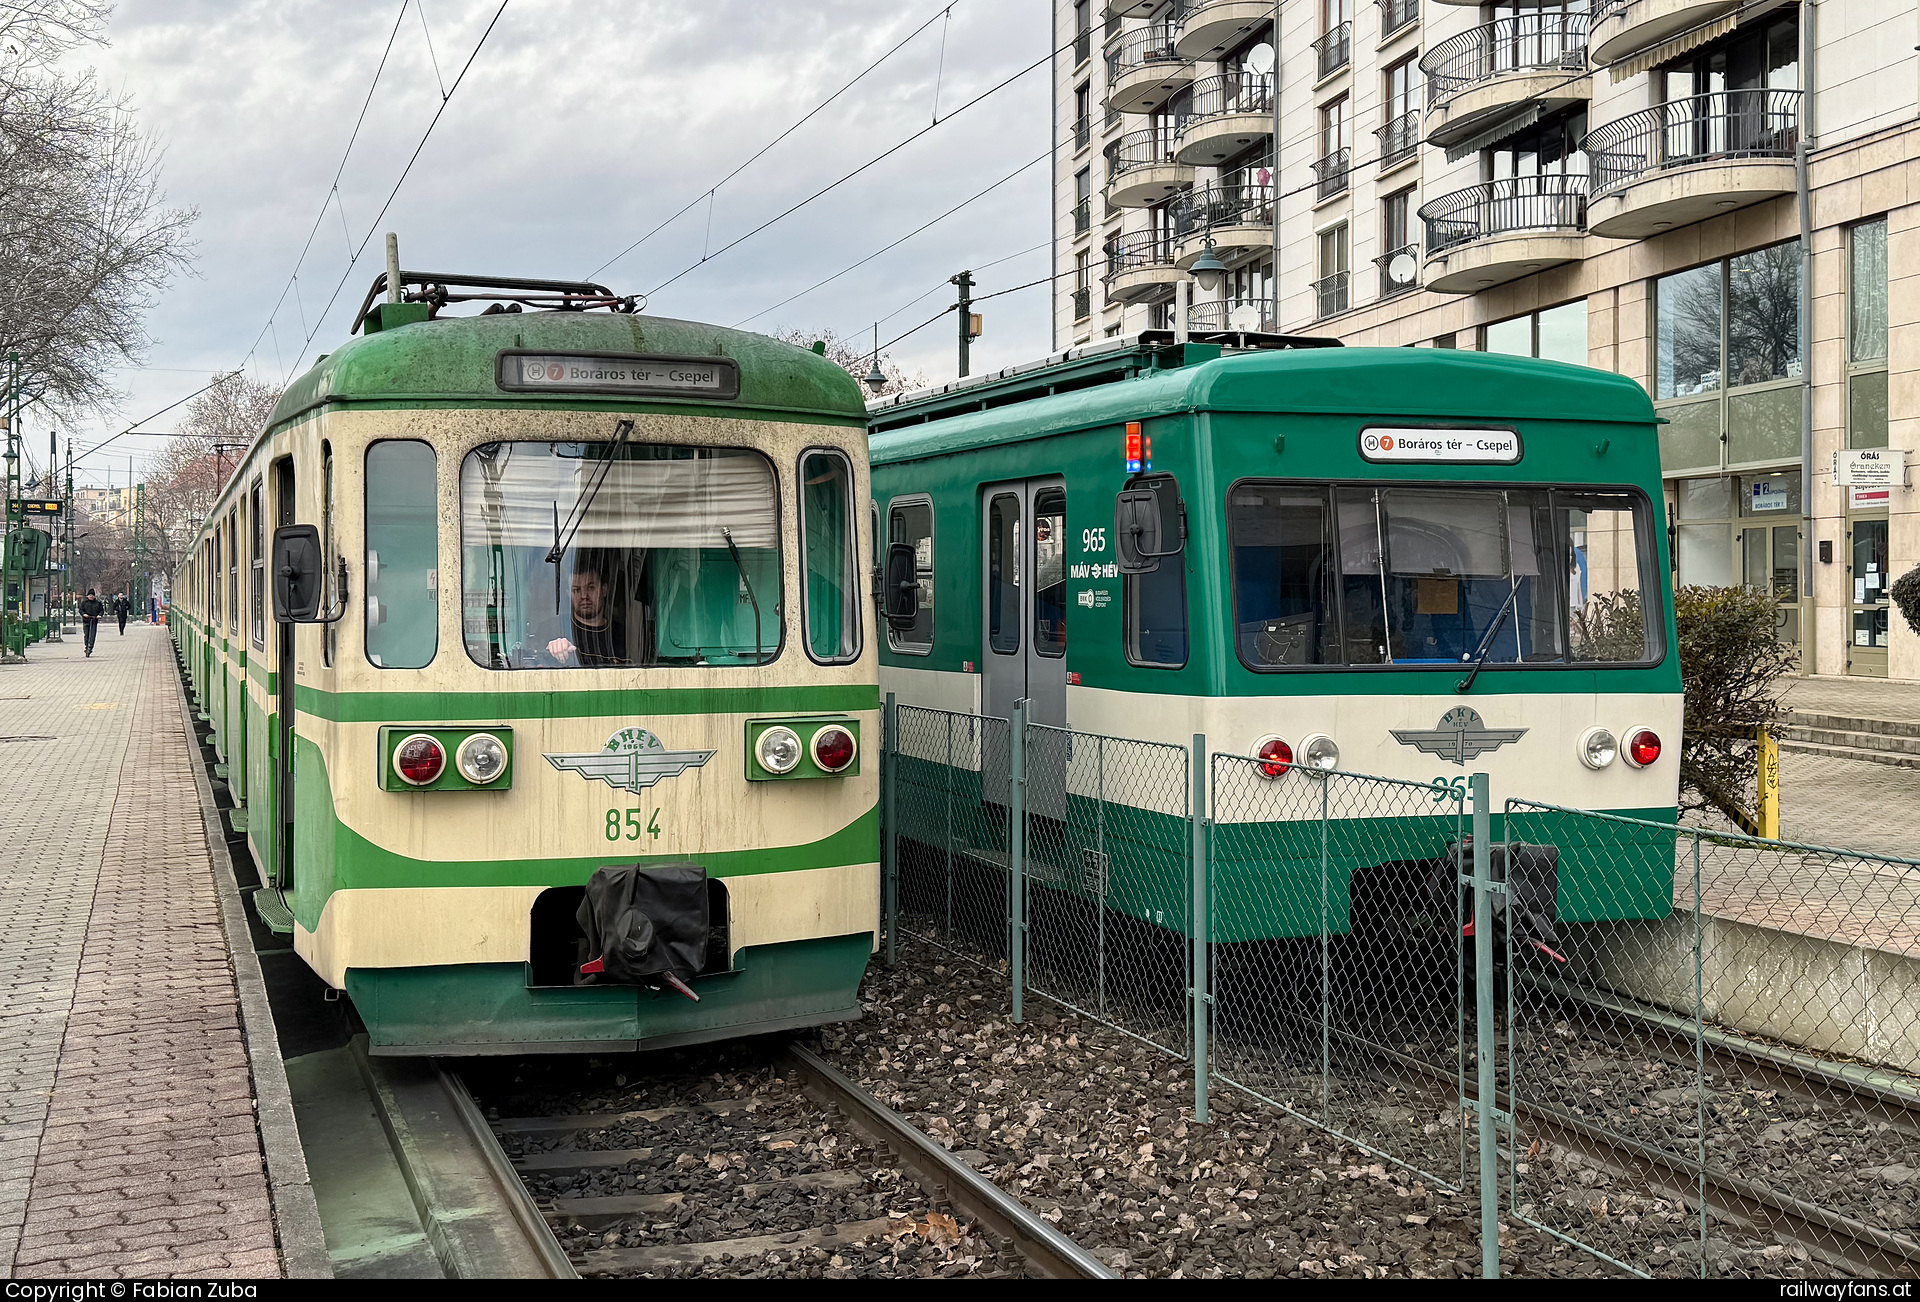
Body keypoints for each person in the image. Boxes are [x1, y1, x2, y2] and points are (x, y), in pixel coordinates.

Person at [532, 557, 629, 667]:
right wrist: (551, 651)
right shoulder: (549, 629)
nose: (584, 596)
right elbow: (533, 666)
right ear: (569, 593)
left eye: (590, 588)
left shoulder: (623, 634)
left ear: (604, 590)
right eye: (577, 590)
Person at [79, 589, 103, 657]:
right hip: (86, 620)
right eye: (90, 595)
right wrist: (83, 614)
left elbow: (101, 610)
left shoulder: (98, 603)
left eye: (92, 595)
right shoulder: (84, 603)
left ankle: (90, 647)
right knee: (86, 635)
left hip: (94, 620)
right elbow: (81, 610)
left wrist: (99, 615)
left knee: (92, 635)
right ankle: (86, 646)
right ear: (87, 596)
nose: (91, 596)